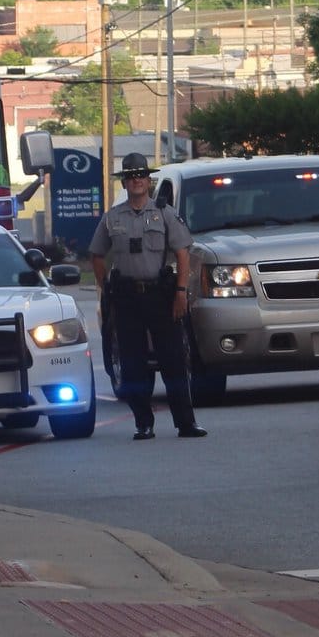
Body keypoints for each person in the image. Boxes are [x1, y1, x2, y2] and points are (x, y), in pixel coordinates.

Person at [89, 154, 206, 440]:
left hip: (160, 296)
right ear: (125, 182)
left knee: (173, 360)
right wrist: (107, 286)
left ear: (149, 180)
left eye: (141, 175)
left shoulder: (164, 213)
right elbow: (96, 254)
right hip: (127, 298)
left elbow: (182, 253)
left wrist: (180, 292)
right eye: (131, 176)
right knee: (132, 364)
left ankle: (185, 423)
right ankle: (143, 422)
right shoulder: (112, 217)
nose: (137, 180)